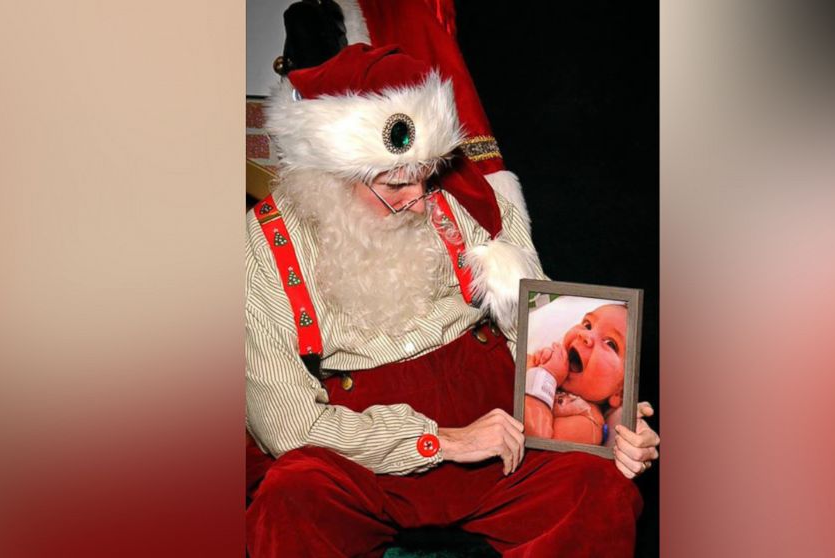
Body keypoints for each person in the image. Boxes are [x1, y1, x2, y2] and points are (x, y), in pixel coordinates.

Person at [245, 43, 660, 557]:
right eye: (395, 184)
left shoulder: (456, 199)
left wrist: (611, 423)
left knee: (597, 491)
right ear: (330, 176)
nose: (418, 201)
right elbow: (288, 425)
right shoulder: (265, 245)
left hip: (499, 435)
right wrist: (441, 441)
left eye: (425, 178)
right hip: (363, 454)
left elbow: (534, 331)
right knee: (291, 496)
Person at [524, 303, 629, 445]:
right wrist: (533, 364)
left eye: (610, 344)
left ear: (620, 393)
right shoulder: (541, 361)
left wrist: (546, 375)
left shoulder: (588, 423)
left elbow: (534, 439)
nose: (585, 334)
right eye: (587, 325)